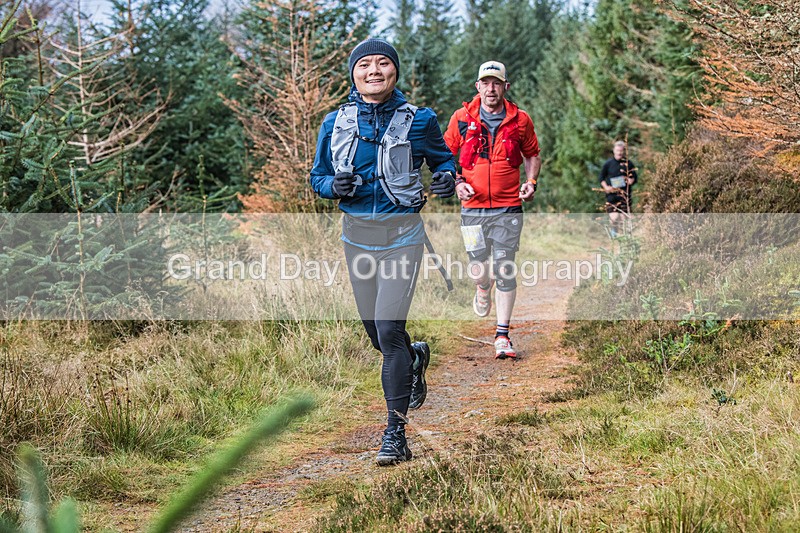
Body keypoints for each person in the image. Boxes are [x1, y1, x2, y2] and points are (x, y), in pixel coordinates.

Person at [310, 39, 456, 466]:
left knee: (390, 331)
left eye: (383, 63)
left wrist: (446, 179)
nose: (374, 70)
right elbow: (317, 177)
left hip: (402, 237)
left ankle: (395, 434)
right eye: (365, 64)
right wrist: (329, 187)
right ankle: (414, 357)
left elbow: (444, 162)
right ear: (353, 73)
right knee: (377, 335)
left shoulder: (420, 120)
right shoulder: (335, 122)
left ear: (395, 72)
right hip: (356, 238)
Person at [443, 61, 541, 360]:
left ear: (505, 87)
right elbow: (444, 156)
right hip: (472, 208)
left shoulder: (520, 120)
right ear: (477, 86)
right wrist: (457, 182)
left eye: (496, 83)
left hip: (508, 206)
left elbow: (532, 154)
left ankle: (502, 335)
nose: (491, 88)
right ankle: (482, 287)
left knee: (505, 266)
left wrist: (531, 181)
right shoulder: (461, 118)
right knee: (479, 267)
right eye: (485, 82)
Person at [599, 140, 638, 237]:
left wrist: (631, 180)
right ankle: (613, 232)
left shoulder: (628, 163)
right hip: (612, 195)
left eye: (621, 151)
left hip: (625, 195)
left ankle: (625, 237)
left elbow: (634, 177)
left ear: (624, 151)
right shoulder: (608, 164)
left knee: (624, 218)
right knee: (614, 217)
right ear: (614, 151)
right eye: (617, 150)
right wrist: (606, 187)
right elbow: (601, 178)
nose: (619, 153)